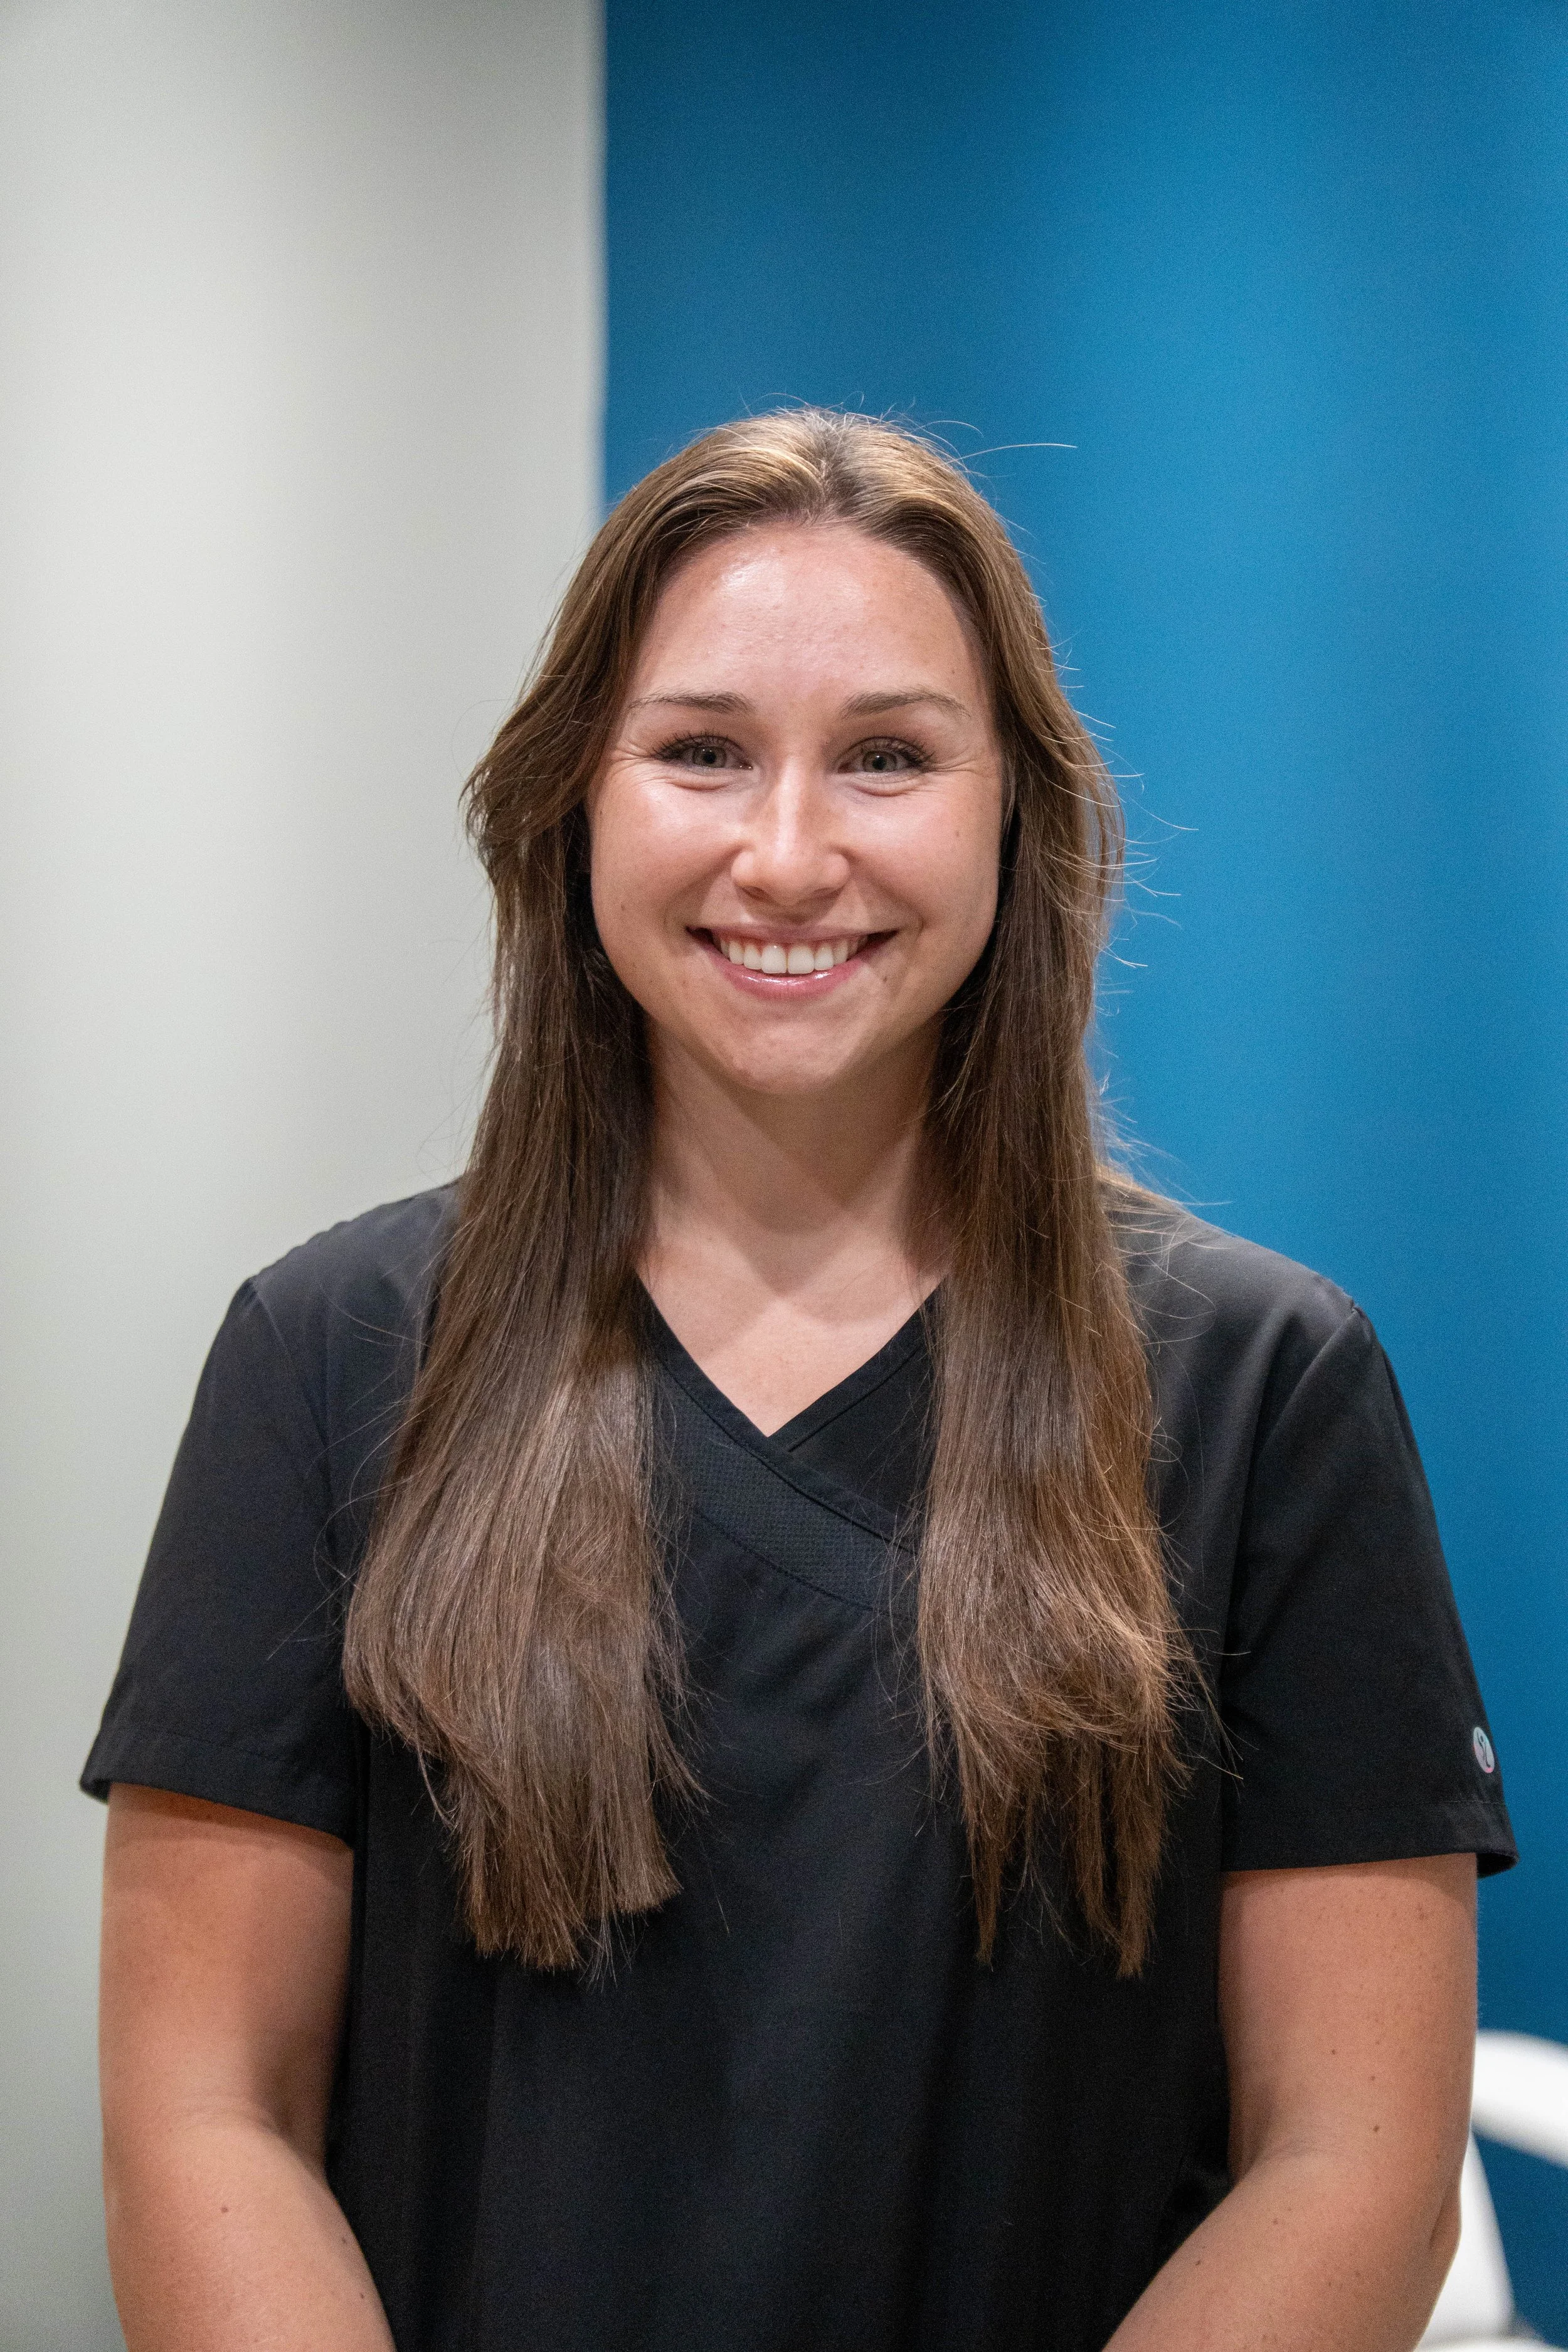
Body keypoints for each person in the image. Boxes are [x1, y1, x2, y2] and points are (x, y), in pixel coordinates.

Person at [85, 408, 1515, 2352]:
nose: (786, 852)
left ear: (1015, 814)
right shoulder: (326, 1359)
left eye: (887, 759)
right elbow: (205, 2111)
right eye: (699, 752)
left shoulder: (1268, 1392)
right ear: (567, 801)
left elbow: (1349, 2161)